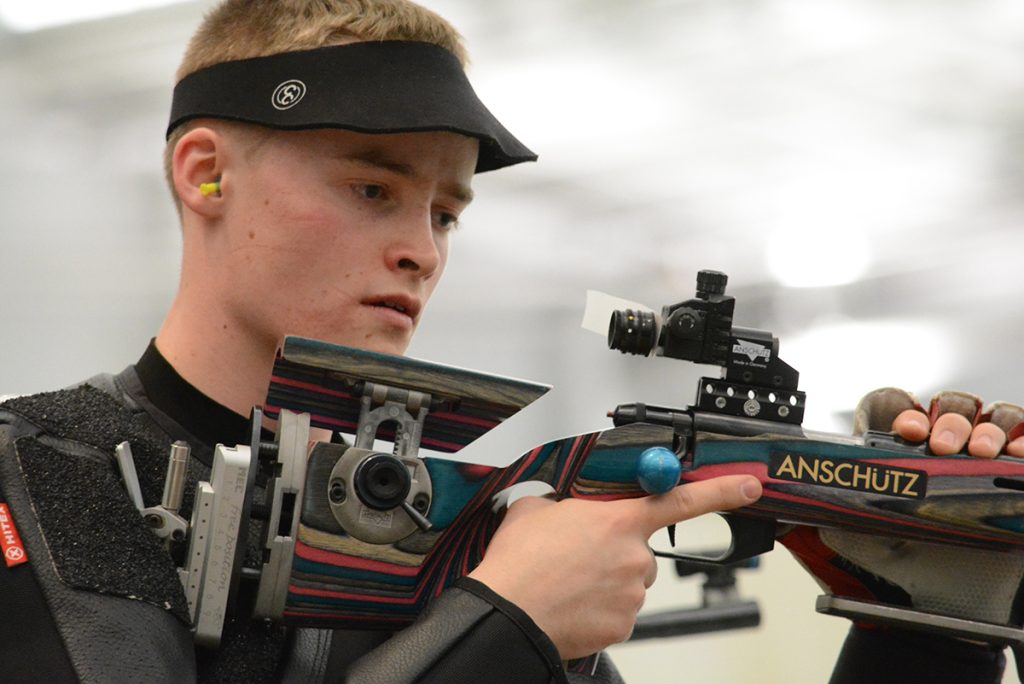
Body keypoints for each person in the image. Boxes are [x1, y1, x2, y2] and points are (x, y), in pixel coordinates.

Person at [0, 1, 1021, 683]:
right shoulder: (42, 477)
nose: (419, 250)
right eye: (372, 188)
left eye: (446, 213)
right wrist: (503, 626)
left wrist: (914, 624)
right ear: (205, 173)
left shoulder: (458, 542)